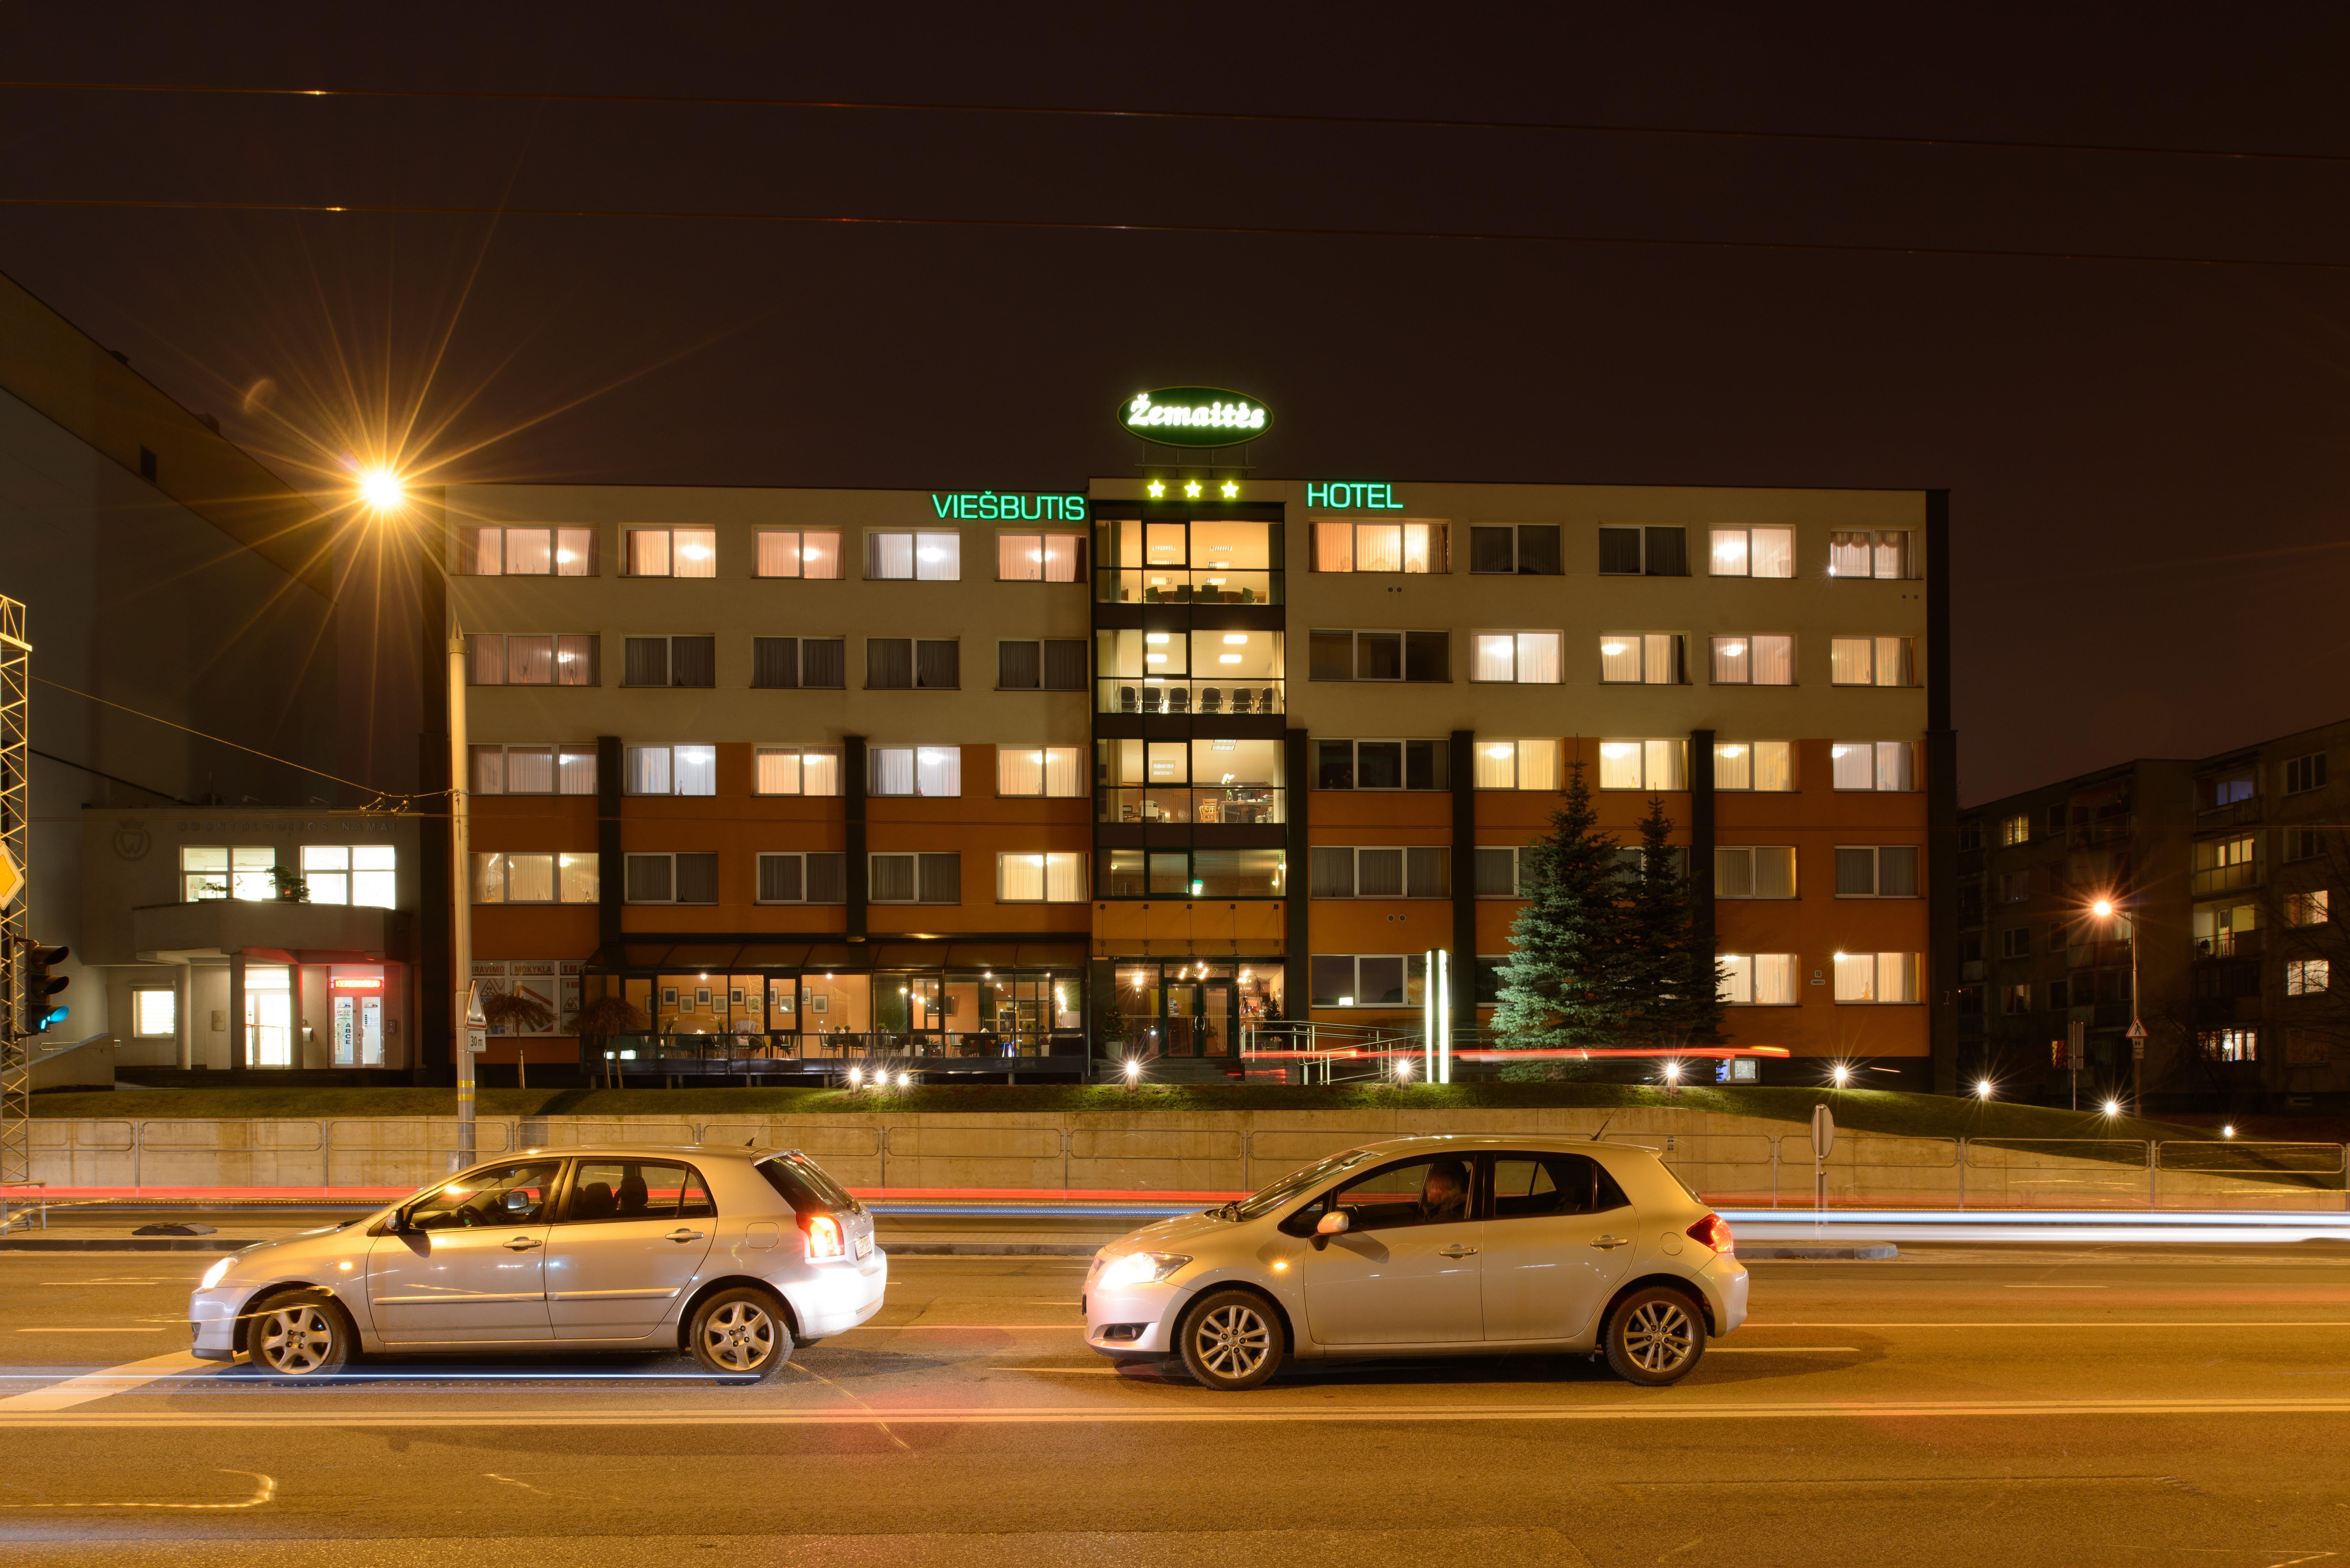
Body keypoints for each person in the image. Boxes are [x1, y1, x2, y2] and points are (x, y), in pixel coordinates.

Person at [1419, 1158, 1470, 1224]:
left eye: (1432, 1187)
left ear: (1445, 1192)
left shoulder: (1447, 1218)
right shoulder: (1449, 1209)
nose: (1427, 1189)